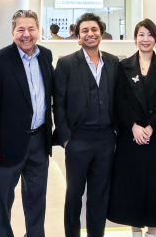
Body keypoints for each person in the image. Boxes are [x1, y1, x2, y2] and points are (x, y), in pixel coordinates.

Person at [0, 10, 55, 237]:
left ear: (38, 31)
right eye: (21, 29)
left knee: (37, 200)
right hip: (7, 145)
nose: (26, 34)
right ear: (13, 32)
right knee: (3, 202)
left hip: (39, 141)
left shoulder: (46, 56)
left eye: (31, 29)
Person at [107, 19, 156, 237]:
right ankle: (136, 232)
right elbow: (119, 100)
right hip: (131, 137)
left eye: (150, 34)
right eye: (141, 34)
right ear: (135, 38)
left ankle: (152, 233)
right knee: (132, 187)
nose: (145, 39)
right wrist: (135, 126)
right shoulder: (123, 66)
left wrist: (151, 126)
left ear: (155, 38)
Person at [54, 13, 120, 237]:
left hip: (105, 140)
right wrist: (65, 138)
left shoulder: (113, 62)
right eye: (85, 31)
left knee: (99, 195)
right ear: (78, 36)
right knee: (74, 195)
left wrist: (115, 131)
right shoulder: (66, 63)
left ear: (101, 33)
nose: (90, 34)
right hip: (78, 139)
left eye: (94, 29)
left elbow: (119, 98)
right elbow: (58, 103)